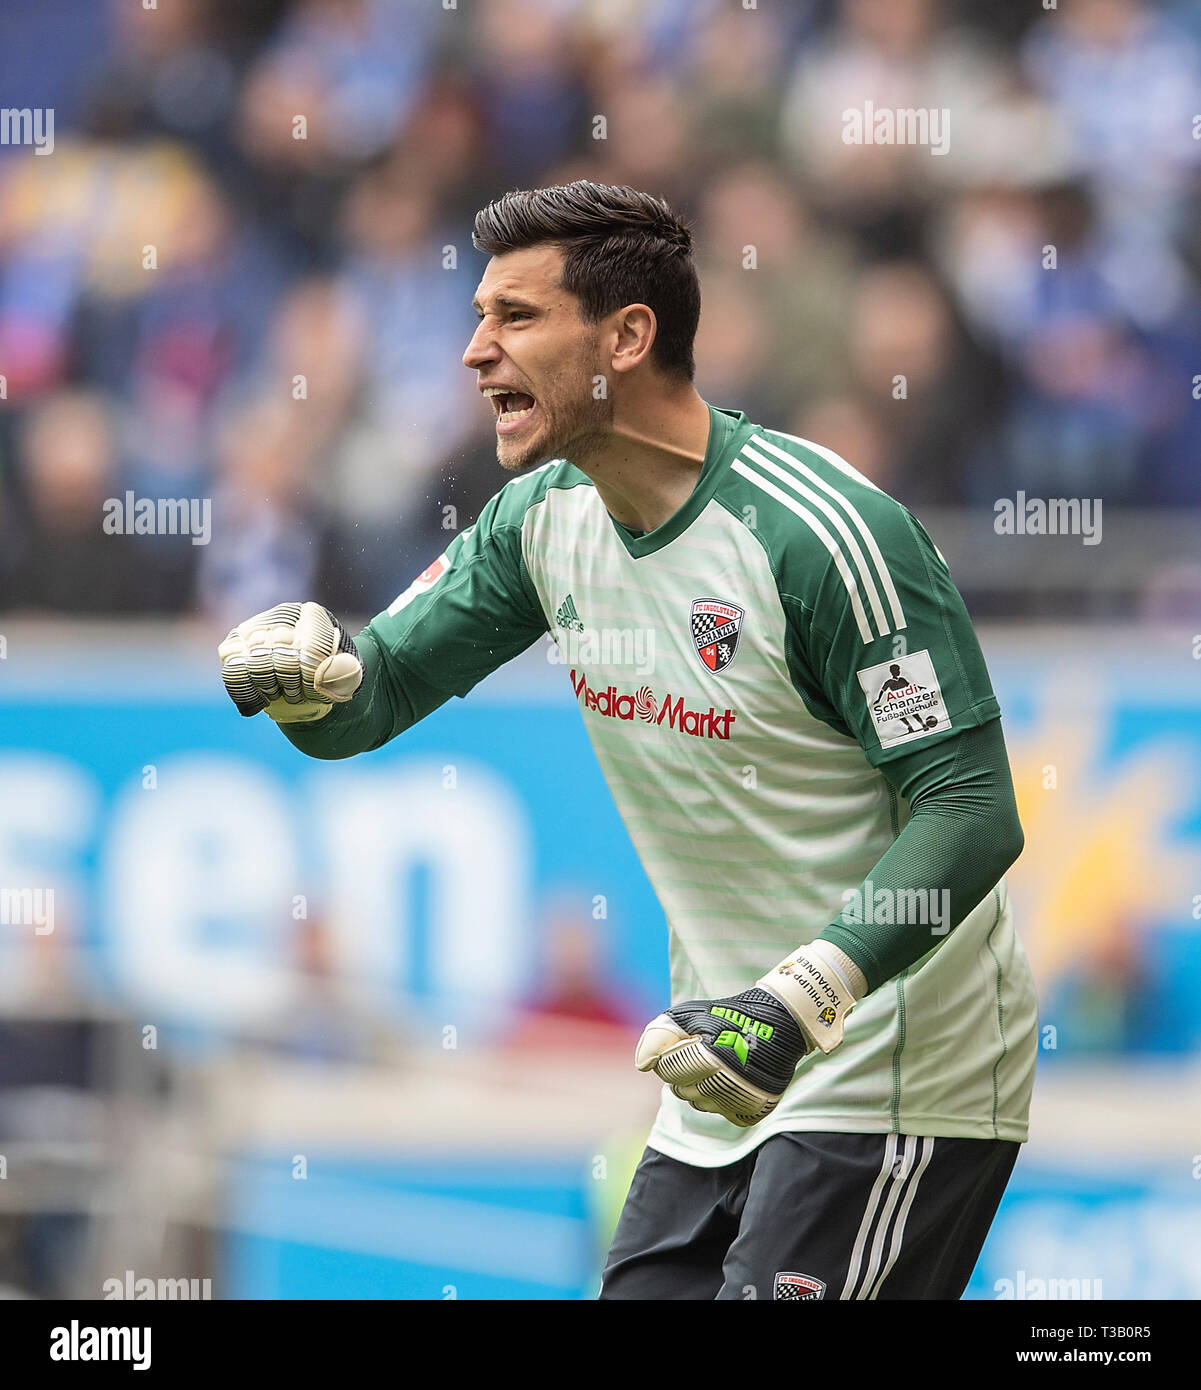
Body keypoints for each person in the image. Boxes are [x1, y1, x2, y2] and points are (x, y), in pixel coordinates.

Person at [218, 181, 1037, 1301]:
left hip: (891, 1070)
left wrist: (797, 1003)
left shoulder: (821, 536)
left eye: (514, 317)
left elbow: (972, 809)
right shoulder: (536, 521)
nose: (472, 352)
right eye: (476, 317)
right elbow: (375, 695)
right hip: (720, 1081)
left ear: (628, 336)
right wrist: (304, 681)